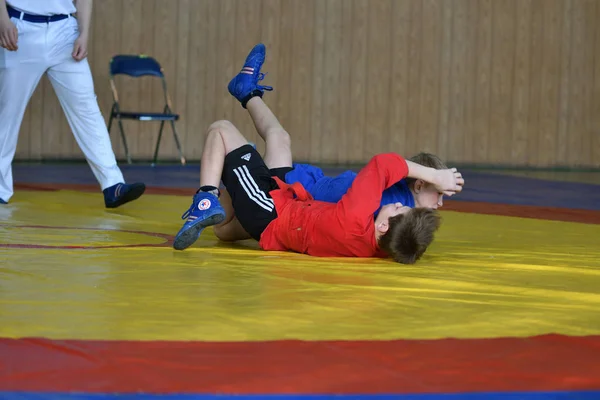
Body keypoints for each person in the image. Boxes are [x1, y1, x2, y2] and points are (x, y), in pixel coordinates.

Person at [172, 44, 465, 264]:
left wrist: (435, 176)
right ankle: (247, 93)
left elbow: (383, 163)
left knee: (222, 129)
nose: (440, 201)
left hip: (279, 208)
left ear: (385, 224)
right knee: (227, 226)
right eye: (437, 194)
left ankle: (206, 198)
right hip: (288, 209)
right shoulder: (378, 246)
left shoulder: (359, 216)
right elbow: (403, 240)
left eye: (400, 209)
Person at [0, 0, 145, 207]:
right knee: (7, 112)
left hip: (65, 29)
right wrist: (2, 20)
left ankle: (113, 185)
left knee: (87, 108)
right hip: (20, 27)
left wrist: (84, 33)